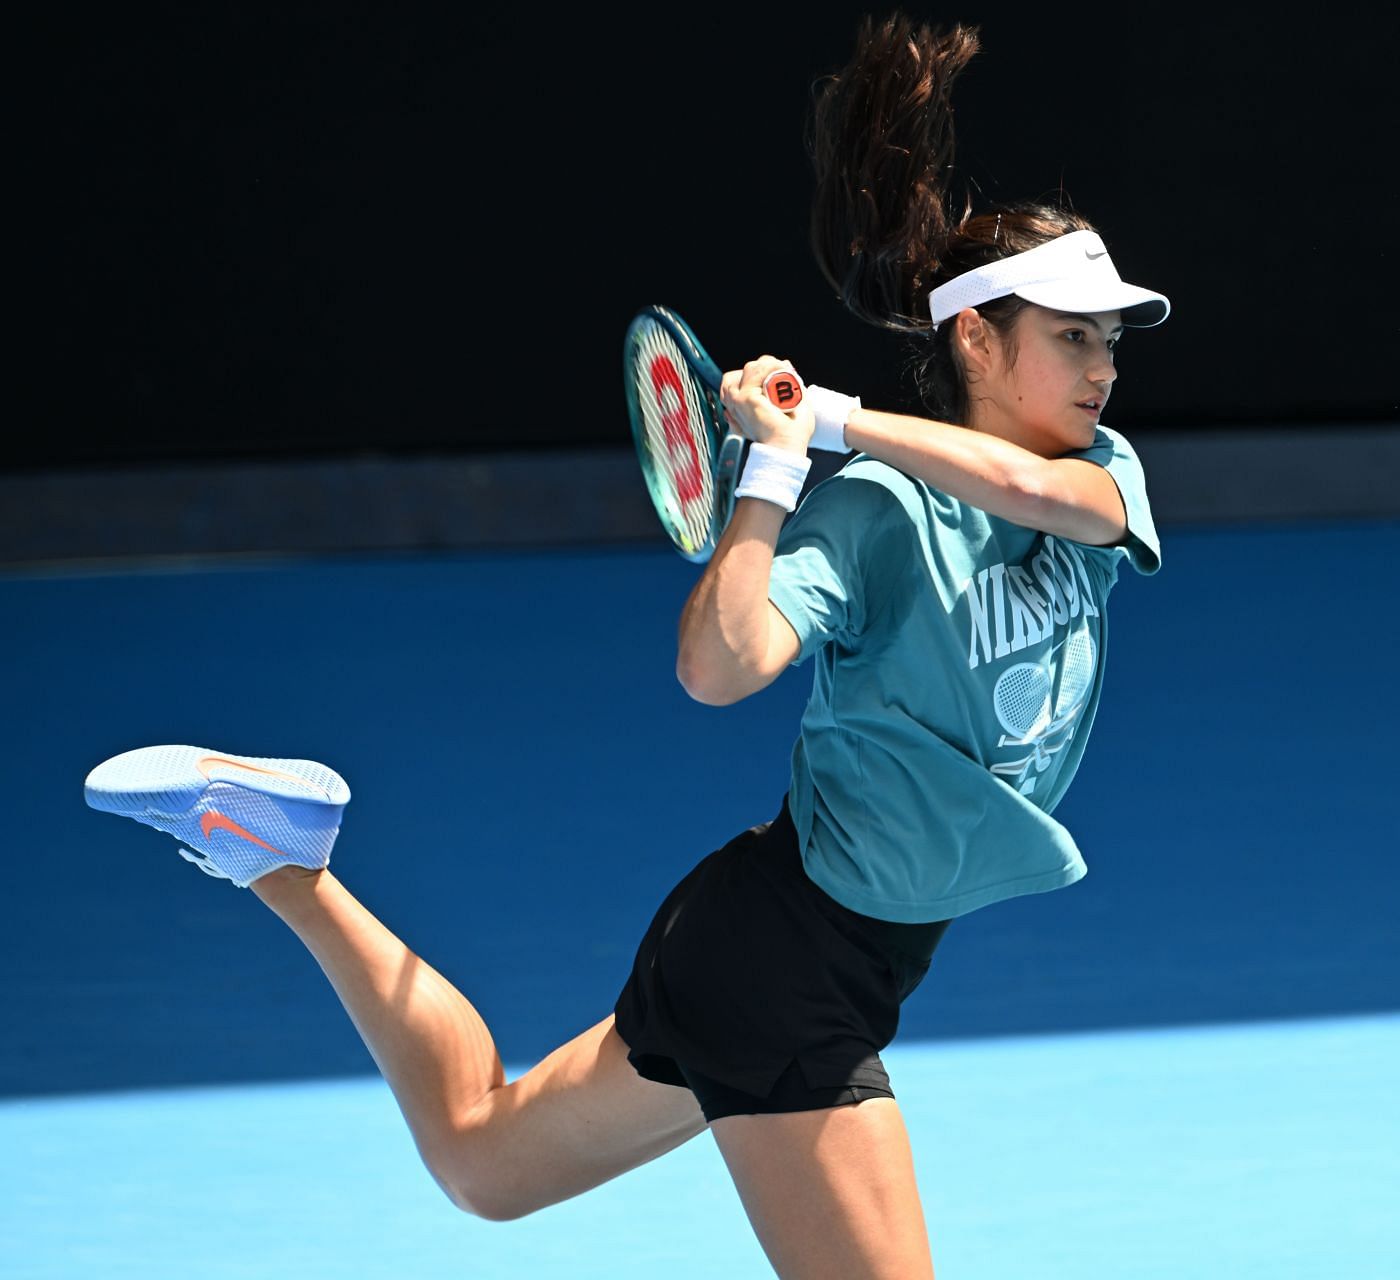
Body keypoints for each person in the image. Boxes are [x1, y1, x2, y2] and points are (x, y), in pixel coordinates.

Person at [82, 13, 1169, 1279]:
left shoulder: (1099, 476)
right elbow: (718, 669)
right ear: (979, 341)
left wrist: (836, 417)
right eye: (1070, 336)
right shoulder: (872, 516)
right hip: (787, 965)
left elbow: (1037, 500)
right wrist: (769, 473)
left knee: (482, 1158)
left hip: (806, 944)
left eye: (1108, 339)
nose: (1102, 368)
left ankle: (277, 859)